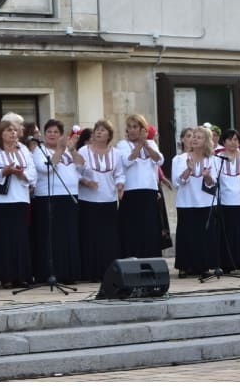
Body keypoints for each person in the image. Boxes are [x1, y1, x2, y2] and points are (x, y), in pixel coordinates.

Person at [0, 120, 37, 288]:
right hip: (1, 201)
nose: (13, 133)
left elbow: (33, 173)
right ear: (0, 134)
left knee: (20, 238)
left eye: (14, 130)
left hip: (21, 199)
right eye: (8, 130)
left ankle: (21, 276)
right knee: (4, 239)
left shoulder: (24, 150)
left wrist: (22, 175)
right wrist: (5, 171)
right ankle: (6, 277)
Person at [31, 119, 85, 284]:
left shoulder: (68, 151)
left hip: (69, 196)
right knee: (51, 237)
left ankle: (69, 273)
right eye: (49, 132)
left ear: (61, 135)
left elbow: (82, 166)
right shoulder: (40, 150)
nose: (52, 135)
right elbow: (46, 168)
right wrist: (60, 150)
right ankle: (50, 273)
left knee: (68, 236)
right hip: (49, 197)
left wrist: (72, 150)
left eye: (56, 132)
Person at [77, 120, 125, 281]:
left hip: (108, 199)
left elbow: (119, 173)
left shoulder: (116, 153)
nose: (99, 132)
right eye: (97, 130)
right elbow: (76, 171)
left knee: (108, 238)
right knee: (90, 237)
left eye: (103, 130)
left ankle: (108, 271)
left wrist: (120, 185)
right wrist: (85, 182)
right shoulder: (84, 151)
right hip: (88, 200)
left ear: (109, 135)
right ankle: (90, 272)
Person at [172, 126, 221, 278]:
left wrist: (207, 177)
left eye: (199, 137)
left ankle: (203, 266)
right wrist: (188, 170)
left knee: (204, 235)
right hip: (186, 203)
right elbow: (177, 183)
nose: (194, 139)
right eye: (193, 136)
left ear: (206, 141)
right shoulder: (179, 159)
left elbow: (214, 184)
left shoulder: (213, 159)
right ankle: (184, 266)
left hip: (206, 203)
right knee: (186, 234)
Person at [115, 114, 164, 259]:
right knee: (132, 229)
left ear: (142, 129)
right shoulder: (122, 145)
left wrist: (146, 144)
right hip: (131, 192)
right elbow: (128, 161)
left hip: (149, 190)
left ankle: (151, 258)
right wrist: (139, 145)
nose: (132, 130)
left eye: (135, 127)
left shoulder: (151, 144)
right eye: (129, 127)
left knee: (149, 228)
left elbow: (159, 160)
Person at [217, 129, 240, 273]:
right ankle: (227, 263)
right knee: (227, 233)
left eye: (236, 139)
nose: (234, 142)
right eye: (230, 139)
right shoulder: (218, 158)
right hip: (225, 201)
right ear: (224, 141)